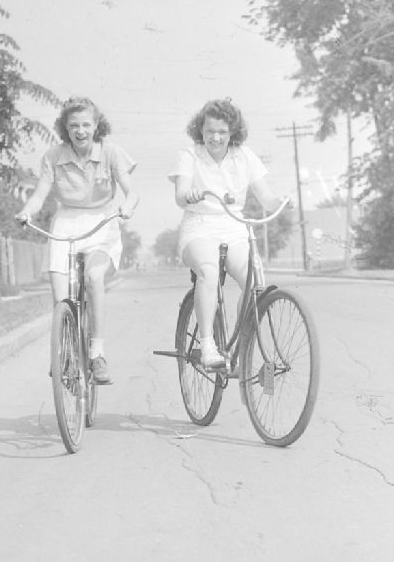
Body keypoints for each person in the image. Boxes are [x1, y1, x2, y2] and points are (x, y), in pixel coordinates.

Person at [16, 96, 139, 384]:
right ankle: (67, 352)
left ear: (96, 126)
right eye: (74, 126)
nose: (80, 131)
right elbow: (39, 195)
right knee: (61, 298)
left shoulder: (111, 152)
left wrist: (128, 206)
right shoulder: (53, 156)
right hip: (65, 222)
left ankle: (97, 353)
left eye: (86, 125)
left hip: (102, 222)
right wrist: (26, 211)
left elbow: (132, 192)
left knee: (94, 278)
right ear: (65, 128)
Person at [168, 98, 291, 369]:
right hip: (199, 225)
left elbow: (266, 197)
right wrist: (189, 194)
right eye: (210, 131)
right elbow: (180, 195)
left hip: (234, 225)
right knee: (209, 270)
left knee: (254, 282)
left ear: (232, 131)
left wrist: (280, 202)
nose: (216, 137)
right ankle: (207, 344)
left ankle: (238, 344)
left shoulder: (244, 155)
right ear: (200, 130)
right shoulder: (189, 155)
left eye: (222, 132)